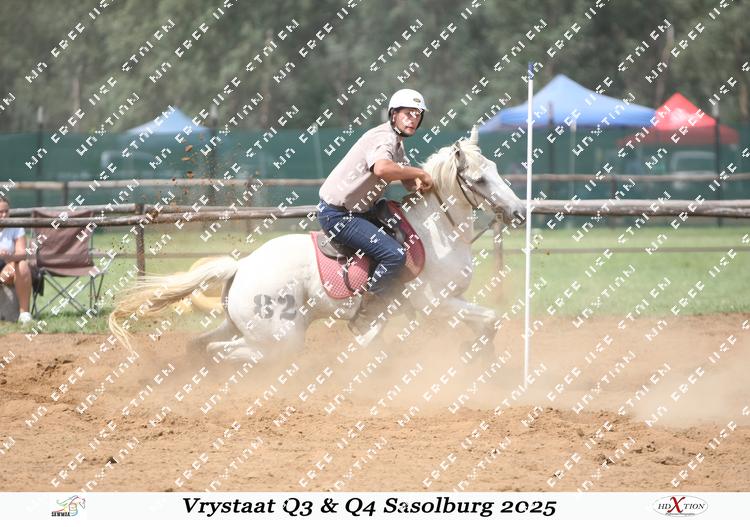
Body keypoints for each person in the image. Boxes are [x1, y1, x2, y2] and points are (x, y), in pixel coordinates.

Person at [317, 88, 433, 337]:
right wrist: (420, 173)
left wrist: (421, 183)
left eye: (417, 115)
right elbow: (382, 169)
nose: (413, 119)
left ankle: (391, 300)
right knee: (394, 255)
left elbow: (406, 180)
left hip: (355, 212)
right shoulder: (385, 138)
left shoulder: (396, 143)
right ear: (394, 115)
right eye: (408, 113)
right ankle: (365, 319)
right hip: (339, 216)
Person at [0, 197, 33, 325]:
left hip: (6, 270)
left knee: (22, 265)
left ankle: (24, 314)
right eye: (0, 212)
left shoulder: (16, 227)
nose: (4, 215)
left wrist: (9, 256)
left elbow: (22, 254)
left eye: (6, 211)